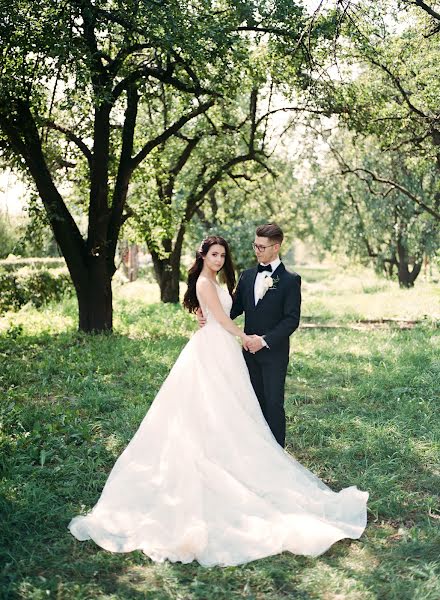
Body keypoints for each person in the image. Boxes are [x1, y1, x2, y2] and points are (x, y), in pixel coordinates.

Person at [68, 235, 368, 567]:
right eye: (214, 254)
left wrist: (230, 326)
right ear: (204, 256)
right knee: (215, 406)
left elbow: (258, 313)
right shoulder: (215, 280)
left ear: (275, 247)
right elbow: (226, 317)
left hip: (238, 349)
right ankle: (231, 460)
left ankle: (264, 457)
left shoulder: (251, 280)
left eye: (223, 255)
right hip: (218, 347)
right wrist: (239, 334)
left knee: (250, 407)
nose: (220, 259)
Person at [197, 223, 300, 448]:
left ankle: (277, 455)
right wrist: (206, 313)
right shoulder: (247, 276)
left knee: (273, 404)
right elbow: (232, 310)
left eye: (262, 247)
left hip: (274, 352)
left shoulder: (291, 280)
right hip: (246, 354)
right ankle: (256, 450)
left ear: (276, 247)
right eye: (255, 245)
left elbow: (291, 320)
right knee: (251, 403)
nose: (257, 251)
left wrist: (262, 341)